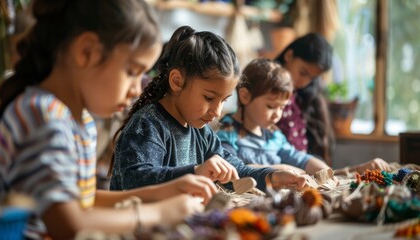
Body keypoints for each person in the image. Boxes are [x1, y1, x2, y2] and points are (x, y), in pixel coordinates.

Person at [0, 1, 219, 239]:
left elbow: (83, 201)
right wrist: (159, 213)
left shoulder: (79, 120)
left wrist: (166, 191)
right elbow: (70, 225)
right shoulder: (42, 116)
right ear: (87, 52)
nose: (136, 89)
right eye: (132, 71)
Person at [108, 25, 307, 193]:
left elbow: (235, 171)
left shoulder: (202, 132)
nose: (217, 112)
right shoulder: (148, 125)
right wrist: (195, 172)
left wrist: (273, 177)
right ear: (177, 81)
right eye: (209, 98)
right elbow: (134, 181)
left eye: (223, 101)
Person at [217, 58, 390, 176]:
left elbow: (300, 159)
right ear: (245, 96)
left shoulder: (273, 134)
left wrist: (325, 173)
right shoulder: (228, 132)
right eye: (271, 106)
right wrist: (280, 169)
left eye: (282, 108)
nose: (277, 114)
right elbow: (233, 168)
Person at [274, 32, 335, 162]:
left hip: (303, 170)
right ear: (289, 55)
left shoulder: (306, 97)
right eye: (303, 73)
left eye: (312, 78)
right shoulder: (263, 86)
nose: (304, 82)